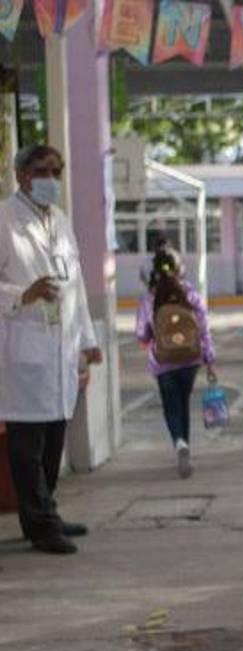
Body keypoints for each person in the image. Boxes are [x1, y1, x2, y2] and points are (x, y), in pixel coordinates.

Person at [0, 144, 102, 555]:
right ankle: (40, 525)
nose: (52, 180)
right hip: (23, 348)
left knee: (54, 438)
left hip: (60, 350)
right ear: (23, 175)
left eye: (58, 171)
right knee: (27, 446)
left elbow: (74, 285)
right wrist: (21, 294)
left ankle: (45, 513)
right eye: (44, 171)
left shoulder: (59, 220)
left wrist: (89, 341)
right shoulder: (4, 219)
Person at [134, 248, 217, 478]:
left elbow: (142, 334)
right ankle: (185, 446)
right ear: (179, 269)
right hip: (190, 360)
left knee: (171, 407)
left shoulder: (149, 299)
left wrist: (153, 339)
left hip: (163, 363)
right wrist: (209, 357)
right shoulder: (189, 293)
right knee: (183, 404)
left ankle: (180, 443)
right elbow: (203, 327)